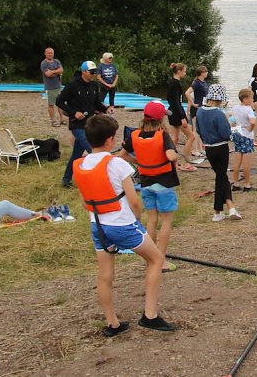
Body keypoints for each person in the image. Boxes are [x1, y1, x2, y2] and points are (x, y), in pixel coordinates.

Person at [72, 114, 175, 335]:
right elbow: (134, 200)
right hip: (123, 224)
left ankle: (113, 323)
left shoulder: (79, 164)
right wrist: (136, 219)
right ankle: (150, 315)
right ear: (110, 139)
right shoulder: (116, 163)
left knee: (105, 275)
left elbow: (84, 201)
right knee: (156, 259)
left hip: (98, 225)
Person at [120, 100, 180, 273]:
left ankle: (151, 259)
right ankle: (161, 261)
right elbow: (170, 156)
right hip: (164, 183)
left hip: (146, 183)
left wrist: (138, 162)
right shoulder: (163, 135)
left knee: (152, 220)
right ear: (161, 119)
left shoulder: (134, 135)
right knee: (167, 221)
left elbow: (123, 155)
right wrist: (175, 155)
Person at [56, 60, 112, 188]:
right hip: (77, 125)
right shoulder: (72, 85)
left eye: (95, 72)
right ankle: (98, 180)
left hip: (89, 124)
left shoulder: (94, 86)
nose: (93, 74)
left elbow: (96, 103)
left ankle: (66, 180)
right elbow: (59, 101)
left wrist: (106, 109)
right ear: (83, 71)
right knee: (94, 150)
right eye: (91, 72)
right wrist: (73, 113)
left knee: (76, 154)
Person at [194, 84, 242, 222]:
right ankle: (218, 212)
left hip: (208, 148)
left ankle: (230, 208)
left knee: (221, 177)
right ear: (220, 99)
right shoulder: (218, 114)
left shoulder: (200, 111)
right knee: (221, 178)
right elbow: (225, 134)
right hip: (221, 148)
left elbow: (198, 130)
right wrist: (234, 131)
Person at [166, 63, 196, 171]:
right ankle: (184, 163)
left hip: (171, 111)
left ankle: (170, 162)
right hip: (177, 113)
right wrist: (183, 117)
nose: (185, 73)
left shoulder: (170, 82)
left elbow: (170, 99)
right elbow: (176, 101)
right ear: (179, 71)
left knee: (174, 138)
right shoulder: (176, 84)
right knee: (191, 136)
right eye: (184, 71)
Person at [231, 88, 257, 192]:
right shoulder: (249, 110)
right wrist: (250, 129)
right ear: (245, 99)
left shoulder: (235, 108)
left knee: (237, 159)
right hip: (246, 135)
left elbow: (228, 115)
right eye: (251, 98)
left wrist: (232, 125)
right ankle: (247, 184)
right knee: (246, 162)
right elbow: (253, 122)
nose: (252, 100)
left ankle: (235, 183)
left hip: (237, 134)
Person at [184, 65, 209, 158]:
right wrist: (192, 103)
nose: (207, 73)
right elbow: (187, 92)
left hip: (203, 107)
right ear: (202, 73)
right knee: (195, 129)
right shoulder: (197, 83)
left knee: (201, 129)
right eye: (206, 72)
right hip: (197, 108)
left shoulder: (203, 82)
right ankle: (194, 150)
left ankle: (200, 149)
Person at [41, 47, 66, 127]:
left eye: (51, 53)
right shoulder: (44, 63)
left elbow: (61, 70)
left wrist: (52, 72)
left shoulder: (57, 61)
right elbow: (48, 75)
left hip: (58, 86)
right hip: (50, 87)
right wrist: (57, 72)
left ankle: (62, 119)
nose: (50, 54)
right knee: (51, 104)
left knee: (60, 103)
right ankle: (53, 121)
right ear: (45, 54)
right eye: (48, 53)